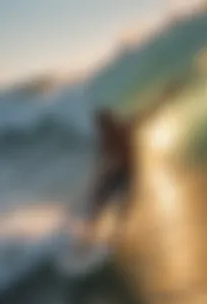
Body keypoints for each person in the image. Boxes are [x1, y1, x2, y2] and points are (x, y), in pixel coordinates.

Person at [77, 79, 184, 253]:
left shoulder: (124, 127)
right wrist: (96, 184)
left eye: (104, 125)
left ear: (110, 121)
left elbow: (149, 112)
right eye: (102, 127)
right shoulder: (105, 140)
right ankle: (86, 241)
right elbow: (101, 163)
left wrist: (167, 94)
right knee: (97, 205)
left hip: (129, 173)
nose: (103, 129)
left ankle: (112, 241)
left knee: (122, 207)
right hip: (115, 173)